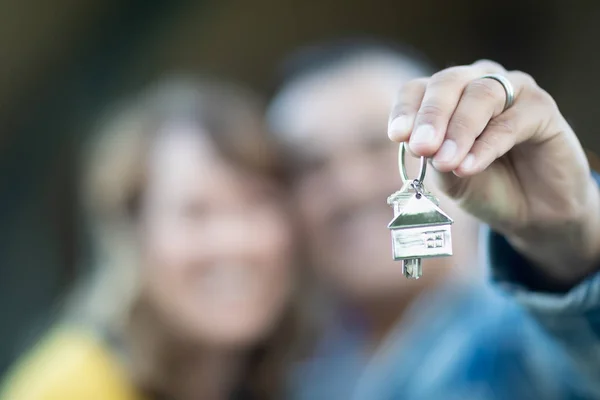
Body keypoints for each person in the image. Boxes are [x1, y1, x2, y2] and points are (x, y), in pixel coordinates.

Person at [268, 40, 600, 399]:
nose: (351, 186)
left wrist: (566, 249)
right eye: (310, 165)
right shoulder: (286, 367)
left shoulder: (525, 336)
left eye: (381, 144)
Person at [0, 78, 307, 400]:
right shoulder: (73, 387)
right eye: (196, 213)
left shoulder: (293, 371)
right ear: (131, 233)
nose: (234, 241)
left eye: (257, 203)